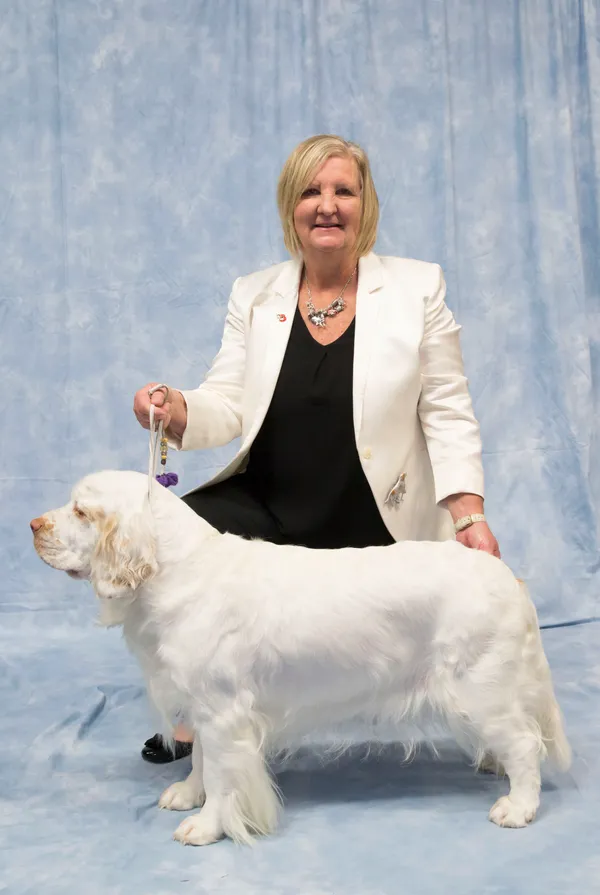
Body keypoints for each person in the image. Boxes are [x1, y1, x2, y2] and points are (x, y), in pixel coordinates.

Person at [133, 134, 500, 763]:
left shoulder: (417, 289)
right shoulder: (254, 294)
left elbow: (447, 408)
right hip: (270, 503)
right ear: (290, 208)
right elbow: (227, 400)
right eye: (311, 191)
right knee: (173, 535)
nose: (326, 205)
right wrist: (174, 407)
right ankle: (199, 706)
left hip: (372, 512)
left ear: (366, 205)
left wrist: (468, 515)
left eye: (343, 191)